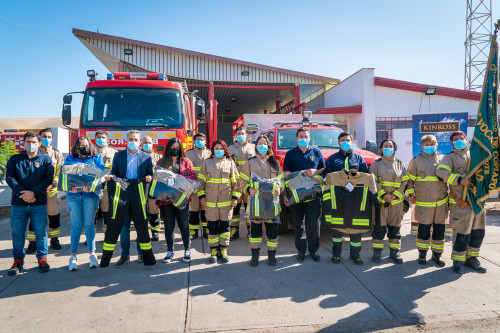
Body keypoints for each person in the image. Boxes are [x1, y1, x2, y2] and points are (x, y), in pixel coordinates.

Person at [99, 130, 156, 267]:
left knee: (141, 226)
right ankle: (124, 255)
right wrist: (110, 177)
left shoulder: (146, 157)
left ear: (140, 141)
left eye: (136, 140)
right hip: (122, 194)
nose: (134, 142)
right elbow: (114, 173)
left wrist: (149, 177)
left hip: (138, 194)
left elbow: (150, 175)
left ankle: (142, 254)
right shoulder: (118, 156)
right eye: (131, 139)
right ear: (126, 141)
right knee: (123, 228)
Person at [436, 131, 487, 274]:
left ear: (467, 139)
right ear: (452, 143)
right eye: (456, 139)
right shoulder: (449, 157)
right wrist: (459, 179)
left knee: (478, 232)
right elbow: (441, 172)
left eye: (462, 138)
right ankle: (458, 261)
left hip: (478, 202)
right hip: (461, 203)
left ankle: (472, 258)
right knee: (462, 233)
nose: (459, 140)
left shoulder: (476, 156)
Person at [6, 131, 54, 275]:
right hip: (18, 204)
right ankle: (18, 260)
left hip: (38, 204)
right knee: (18, 234)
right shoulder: (14, 159)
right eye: (28, 142)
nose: (31, 144)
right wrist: (24, 194)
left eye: (34, 142)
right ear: (23, 143)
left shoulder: (45, 160)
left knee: (41, 233)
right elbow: (10, 178)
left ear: (39, 144)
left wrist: (33, 193)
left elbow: (47, 179)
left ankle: (42, 258)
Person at [324, 132, 370, 264]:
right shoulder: (332, 159)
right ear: (338, 143)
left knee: (356, 226)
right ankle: (336, 254)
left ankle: (355, 255)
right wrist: (327, 177)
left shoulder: (359, 158)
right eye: (342, 140)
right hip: (338, 198)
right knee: (337, 227)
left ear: (352, 141)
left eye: (348, 140)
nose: (345, 142)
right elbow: (326, 177)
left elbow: (365, 175)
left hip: (355, 198)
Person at [282, 127, 325, 262]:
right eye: (301, 137)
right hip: (296, 196)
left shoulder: (316, 152)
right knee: (299, 225)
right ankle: (301, 251)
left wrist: (315, 172)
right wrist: (285, 195)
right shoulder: (290, 154)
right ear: (296, 139)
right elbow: (286, 176)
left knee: (313, 224)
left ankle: (313, 250)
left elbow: (323, 168)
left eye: (306, 136)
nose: (303, 139)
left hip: (313, 195)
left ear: (309, 138)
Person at [64, 137, 105, 271]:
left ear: (90, 146)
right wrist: (71, 187)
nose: (84, 147)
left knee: (89, 225)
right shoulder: (70, 158)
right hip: (74, 196)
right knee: (76, 226)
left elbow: (101, 174)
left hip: (90, 196)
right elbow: (65, 174)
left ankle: (92, 255)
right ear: (77, 146)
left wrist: (91, 186)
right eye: (81, 145)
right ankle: (73, 257)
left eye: (86, 145)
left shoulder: (96, 157)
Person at [240, 135, 282, 266]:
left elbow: (281, 180)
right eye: (260, 143)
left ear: (269, 146)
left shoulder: (275, 161)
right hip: (256, 203)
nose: (262, 146)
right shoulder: (250, 162)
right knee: (255, 231)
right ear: (256, 146)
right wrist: (248, 190)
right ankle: (255, 256)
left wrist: (280, 188)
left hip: (271, 203)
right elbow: (242, 180)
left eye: (265, 143)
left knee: (272, 232)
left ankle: (271, 256)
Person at [406, 135, 448, 267]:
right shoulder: (416, 161)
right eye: (426, 144)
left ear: (436, 145)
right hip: (424, 203)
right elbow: (409, 181)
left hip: (441, 203)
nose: (429, 146)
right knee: (423, 231)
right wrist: (410, 195)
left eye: (432, 144)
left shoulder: (443, 159)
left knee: (439, 231)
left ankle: (437, 255)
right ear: (422, 146)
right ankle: (422, 254)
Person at [198, 140, 240, 263]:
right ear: (213, 150)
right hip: (210, 203)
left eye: (221, 148)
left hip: (226, 203)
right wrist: (202, 197)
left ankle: (223, 250)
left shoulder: (230, 162)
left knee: (225, 228)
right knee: (212, 228)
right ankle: (214, 252)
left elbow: (236, 183)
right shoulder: (207, 163)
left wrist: (235, 197)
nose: (218, 150)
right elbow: (201, 182)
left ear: (225, 150)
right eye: (216, 148)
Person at [156, 138, 196, 263]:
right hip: (166, 200)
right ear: (168, 147)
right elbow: (157, 179)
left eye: (177, 146)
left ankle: (187, 250)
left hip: (181, 199)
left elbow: (192, 177)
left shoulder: (186, 161)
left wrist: (178, 179)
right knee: (169, 226)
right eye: (173, 146)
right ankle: (170, 251)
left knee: (184, 224)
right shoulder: (161, 162)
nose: (175, 148)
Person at [369, 139, 408, 264]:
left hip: (397, 204)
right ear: (381, 149)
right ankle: (377, 252)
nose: (388, 148)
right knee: (379, 229)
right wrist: (384, 195)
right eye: (385, 146)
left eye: (390, 146)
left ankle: (394, 252)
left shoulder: (400, 164)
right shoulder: (376, 164)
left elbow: (405, 181)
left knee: (395, 230)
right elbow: (372, 182)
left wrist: (396, 195)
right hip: (381, 203)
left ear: (394, 149)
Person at [26, 128, 64, 253]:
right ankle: (32, 243)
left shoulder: (57, 154)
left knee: (54, 217)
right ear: (39, 138)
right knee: (34, 217)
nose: (46, 139)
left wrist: (53, 184)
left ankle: (54, 240)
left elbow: (60, 172)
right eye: (44, 136)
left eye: (49, 137)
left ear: (52, 139)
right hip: (36, 193)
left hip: (52, 192)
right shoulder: (34, 153)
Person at [228, 126, 255, 240]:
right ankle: (234, 230)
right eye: (238, 133)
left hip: (250, 184)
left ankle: (251, 230)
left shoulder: (253, 147)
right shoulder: (230, 149)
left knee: (250, 208)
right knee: (236, 208)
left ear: (246, 135)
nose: (240, 135)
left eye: (242, 133)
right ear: (235, 135)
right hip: (237, 184)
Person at [186, 133, 211, 240]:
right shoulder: (188, 153)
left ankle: (206, 230)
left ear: (205, 141)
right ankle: (193, 230)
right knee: (193, 209)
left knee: (205, 209)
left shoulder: (210, 153)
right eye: (197, 139)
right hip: (193, 186)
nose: (200, 141)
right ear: (194, 141)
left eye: (202, 139)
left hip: (206, 186)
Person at [94, 130, 117, 233]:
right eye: (99, 137)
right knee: (91, 213)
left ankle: (107, 234)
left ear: (107, 139)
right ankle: (90, 237)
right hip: (93, 187)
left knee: (107, 212)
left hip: (108, 188)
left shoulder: (114, 152)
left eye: (103, 137)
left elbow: (118, 169)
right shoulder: (90, 151)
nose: (101, 139)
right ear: (95, 138)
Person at [141, 135, 163, 241]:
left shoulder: (158, 157)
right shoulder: (136, 156)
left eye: (149, 143)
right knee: (142, 212)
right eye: (145, 142)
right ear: (141, 143)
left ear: (152, 144)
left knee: (154, 211)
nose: (147, 145)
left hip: (154, 189)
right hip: (140, 188)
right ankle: (142, 233)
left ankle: (155, 232)